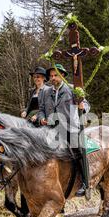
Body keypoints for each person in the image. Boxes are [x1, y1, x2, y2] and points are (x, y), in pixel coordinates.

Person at [37, 64, 91, 197]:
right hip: (51, 129)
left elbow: (87, 105)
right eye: (51, 76)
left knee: (79, 150)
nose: (53, 78)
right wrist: (42, 118)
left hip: (70, 127)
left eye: (56, 75)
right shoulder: (45, 92)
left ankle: (85, 183)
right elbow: (41, 110)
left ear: (62, 76)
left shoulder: (73, 89)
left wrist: (82, 107)